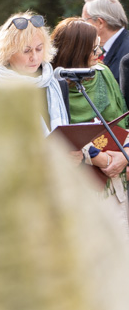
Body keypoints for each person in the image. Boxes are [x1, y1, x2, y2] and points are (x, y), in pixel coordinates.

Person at [51, 17, 129, 234]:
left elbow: (124, 119)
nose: (100, 52)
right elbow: (59, 136)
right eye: (93, 47)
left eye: (99, 44)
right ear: (75, 50)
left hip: (116, 182)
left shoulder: (103, 74)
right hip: (78, 186)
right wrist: (98, 158)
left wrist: (126, 154)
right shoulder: (51, 85)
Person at [0, 12, 69, 134]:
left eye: (39, 49)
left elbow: (68, 133)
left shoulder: (58, 85)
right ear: (7, 51)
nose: (34, 57)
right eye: (26, 51)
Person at [82, 0, 129, 83]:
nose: (82, 25)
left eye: (85, 20)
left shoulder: (126, 51)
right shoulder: (103, 49)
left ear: (100, 23)